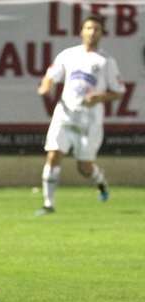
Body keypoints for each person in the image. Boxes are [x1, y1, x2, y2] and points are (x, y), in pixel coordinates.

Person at [36, 13, 126, 215]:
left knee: (84, 167)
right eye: (88, 28)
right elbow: (50, 76)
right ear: (81, 31)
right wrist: (46, 87)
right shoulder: (68, 55)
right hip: (65, 115)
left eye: (96, 29)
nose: (92, 32)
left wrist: (100, 97)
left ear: (102, 34)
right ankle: (49, 204)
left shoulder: (106, 62)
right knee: (53, 154)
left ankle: (100, 181)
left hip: (89, 120)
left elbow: (119, 91)